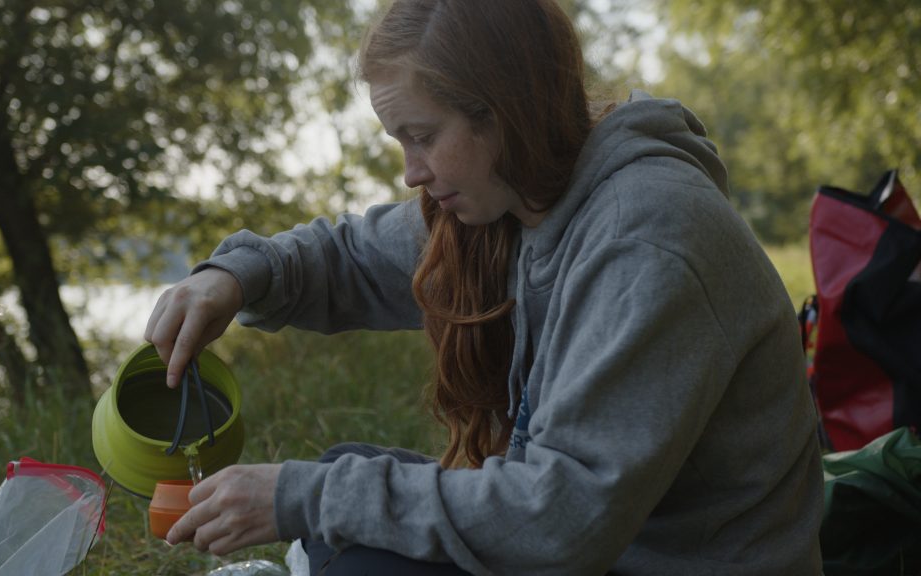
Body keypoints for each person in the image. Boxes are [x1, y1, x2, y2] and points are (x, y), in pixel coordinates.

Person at [143, 0, 825, 574]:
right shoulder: (514, 203)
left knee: (353, 547)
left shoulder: (646, 242)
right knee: (348, 473)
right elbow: (348, 254)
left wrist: (299, 497)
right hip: (601, 550)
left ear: (506, 110)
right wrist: (230, 277)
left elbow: (562, 523)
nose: (412, 172)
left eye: (423, 136)